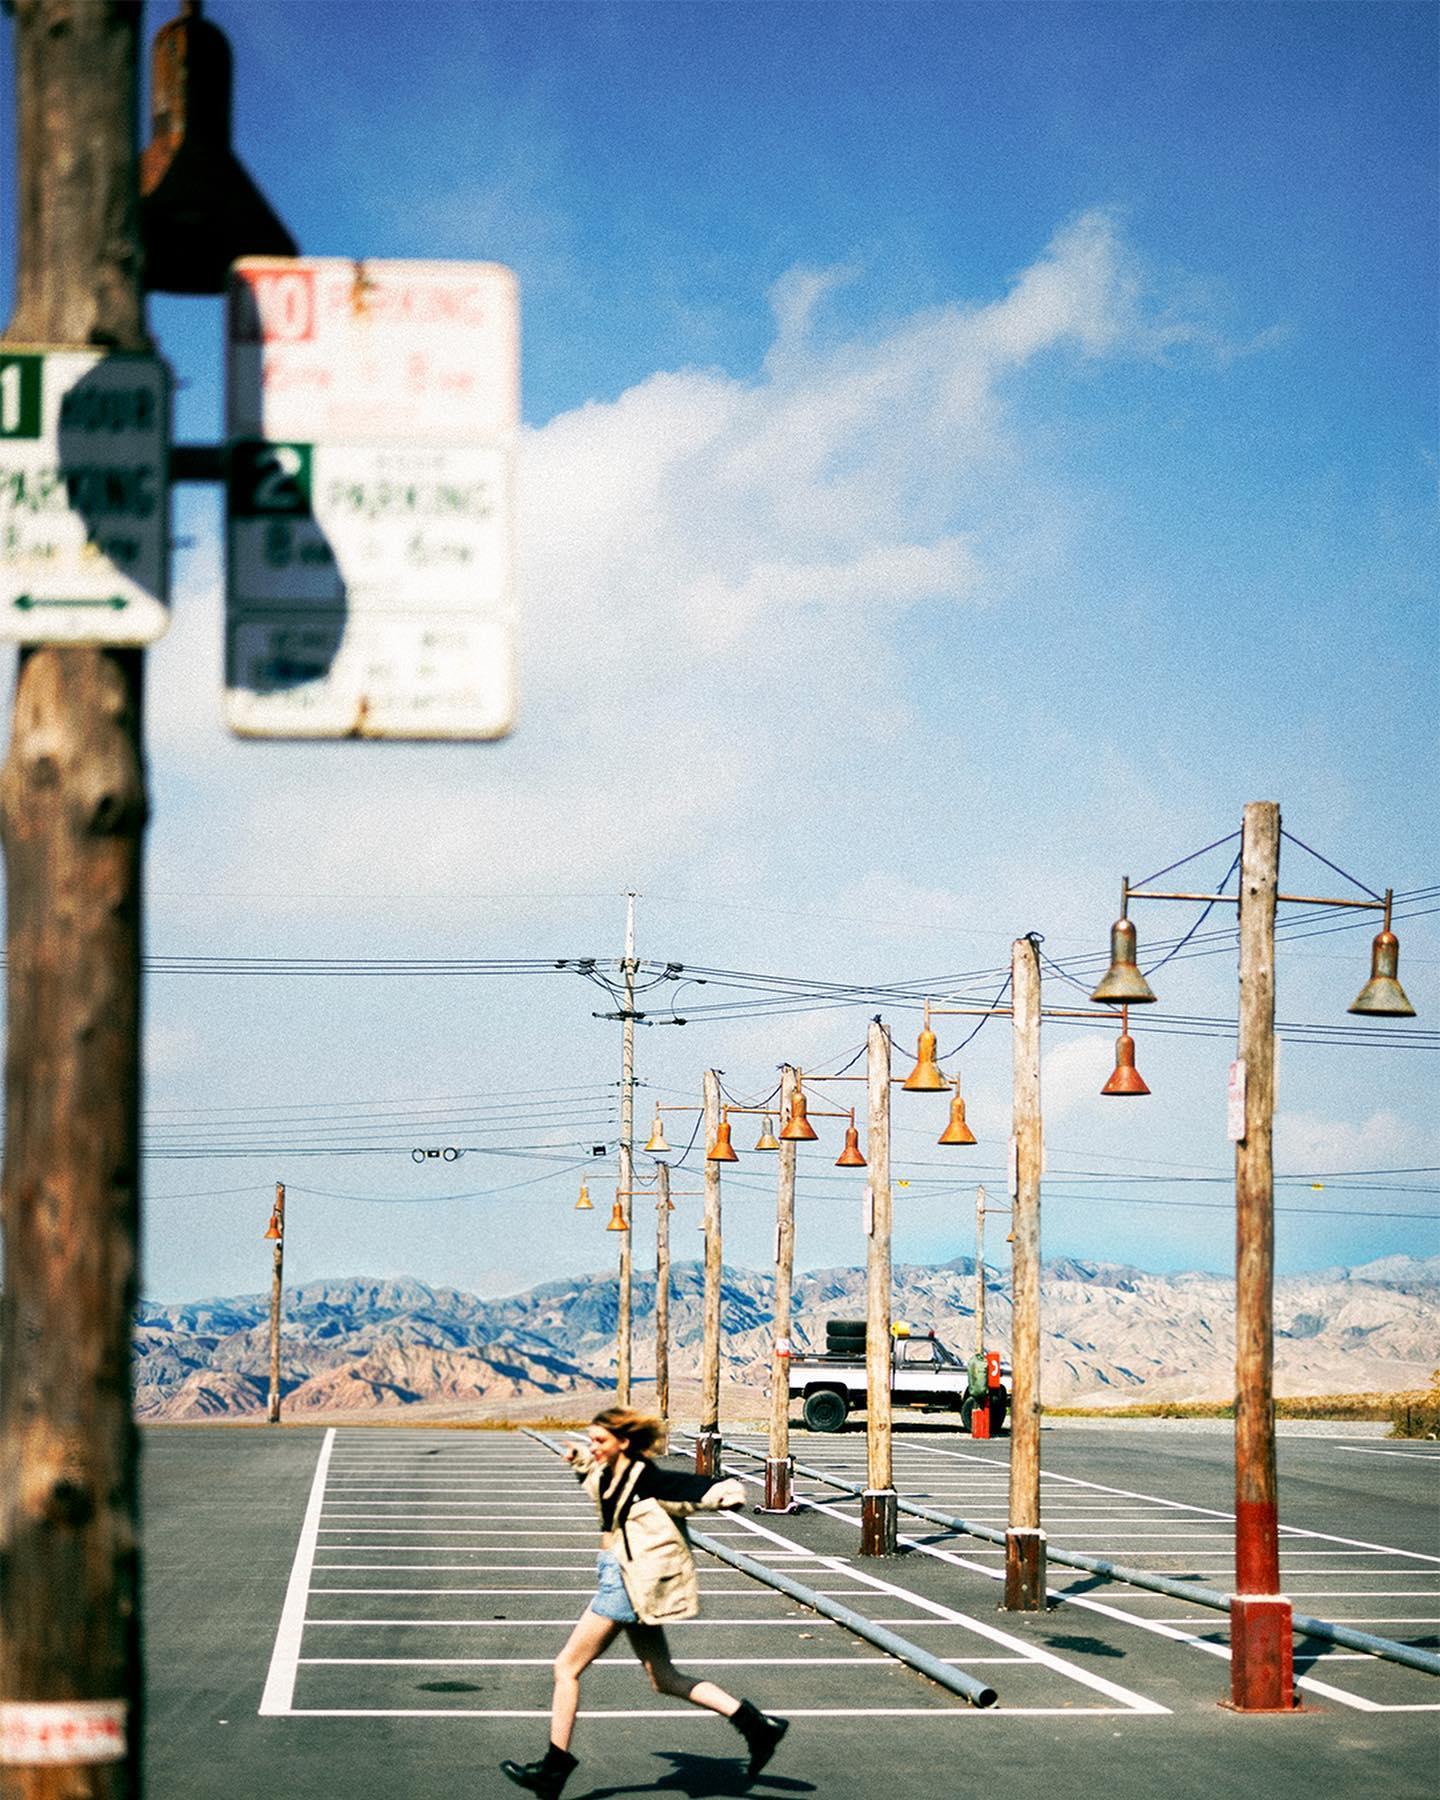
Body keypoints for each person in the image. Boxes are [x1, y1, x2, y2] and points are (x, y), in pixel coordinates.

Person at [501, 1406, 789, 1798]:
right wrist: (579, 1458)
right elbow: (596, 1480)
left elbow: (692, 1489)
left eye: (600, 1441)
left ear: (624, 1442)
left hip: (625, 1583)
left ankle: (554, 1768)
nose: (594, 1447)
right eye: (592, 1441)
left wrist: (727, 1494)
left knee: (566, 1667)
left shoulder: (647, 1479)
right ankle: (757, 1726)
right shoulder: (610, 1473)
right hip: (624, 1578)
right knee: (664, 1678)